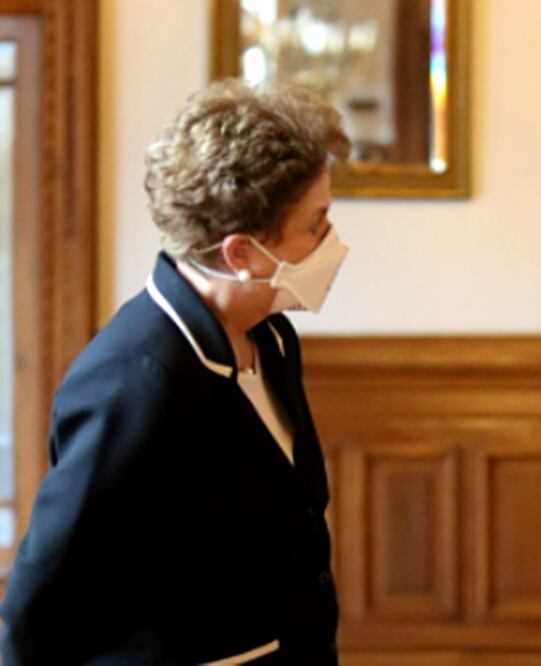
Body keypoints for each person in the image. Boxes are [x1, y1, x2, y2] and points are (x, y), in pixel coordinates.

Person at [0, 79, 350, 664]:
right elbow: (42, 599)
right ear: (241, 254)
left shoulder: (273, 337)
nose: (330, 240)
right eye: (315, 224)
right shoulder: (131, 380)